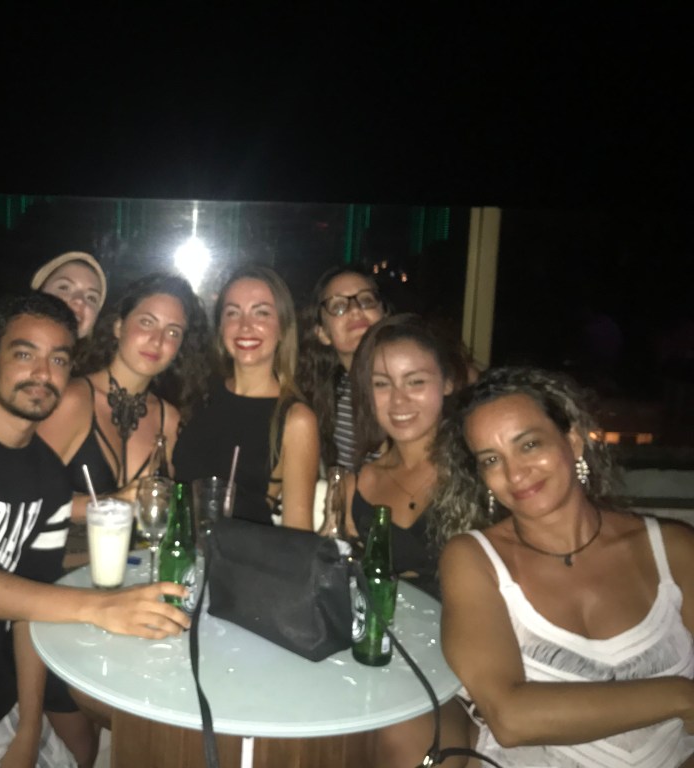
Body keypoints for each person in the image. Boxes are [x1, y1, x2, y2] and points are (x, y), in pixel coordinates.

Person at [0, 291, 191, 768]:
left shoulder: (49, 478)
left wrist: (29, 729)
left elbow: (30, 609)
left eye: (57, 360)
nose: (42, 373)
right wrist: (99, 607)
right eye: (24, 354)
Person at [432, 367, 694, 767]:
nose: (515, 473)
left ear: (572, 442)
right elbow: (510, 717)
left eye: (529, 444)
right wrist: (681, 697)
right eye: (492, 459)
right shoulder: (475, 560)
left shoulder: (673, 549)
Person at [343, 313, 470, 767]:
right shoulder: (359, 482)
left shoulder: (480, 470)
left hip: (463, 666)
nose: (398, 400)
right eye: (382, 384)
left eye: (415, 381)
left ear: (448, 382)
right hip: (381, 658)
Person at [38, 272, 211, 518]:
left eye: (173, 332)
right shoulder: (74, 400)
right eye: (147, 322)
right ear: (119, 327)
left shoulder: (169, 420)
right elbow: (24, 495)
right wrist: (112, 503)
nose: (157, 340)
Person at [173, 265, 318, 529]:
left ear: (283, 328)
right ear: (221, 327)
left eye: (261, 313)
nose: (245, 326)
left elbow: (298, 533)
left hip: (241, 554)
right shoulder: (201, 392)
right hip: (176, 547)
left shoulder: (295, 419)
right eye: (233, 313)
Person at [0, 251, 107, 396]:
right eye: (64, 287)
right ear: (39, 295)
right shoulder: (5, 358)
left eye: (91, 297)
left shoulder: (94, 376)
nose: (79, 300)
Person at [297, 265, 386, 471]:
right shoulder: (326, 394)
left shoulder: (413, 387)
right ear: (322, 333)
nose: (355, 310)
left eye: (366, 300)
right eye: (338, 306)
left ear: (384, 314)